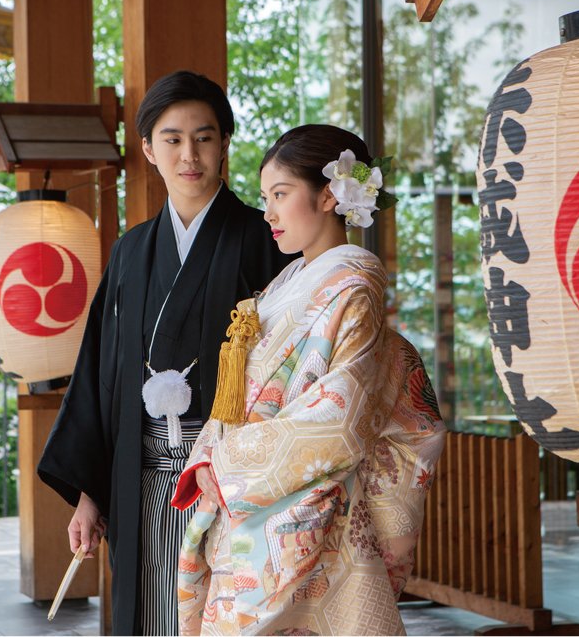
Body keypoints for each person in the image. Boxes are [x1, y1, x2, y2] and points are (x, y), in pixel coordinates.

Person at [37, 70, 293, 635]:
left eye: (204, 137)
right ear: (149, 149)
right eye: (172, 139)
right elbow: (100, 375)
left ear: (225, 144)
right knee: (153, 608)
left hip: (230, 477)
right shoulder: (131, 251)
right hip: (141, 474)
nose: (189, 155)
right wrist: (89, 494)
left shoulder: (263, 239)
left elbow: (291, 364)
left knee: (226, 609)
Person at [170, 124, 447, 636]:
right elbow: (236, 398)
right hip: (248, 503)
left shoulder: (353, 287)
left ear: (328, 195)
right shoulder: (286, 284)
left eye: (280, 194)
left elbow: (340, 417)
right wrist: (208, 456)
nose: (269, 214)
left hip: (307, 516)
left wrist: (228, 462)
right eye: (265, 198)